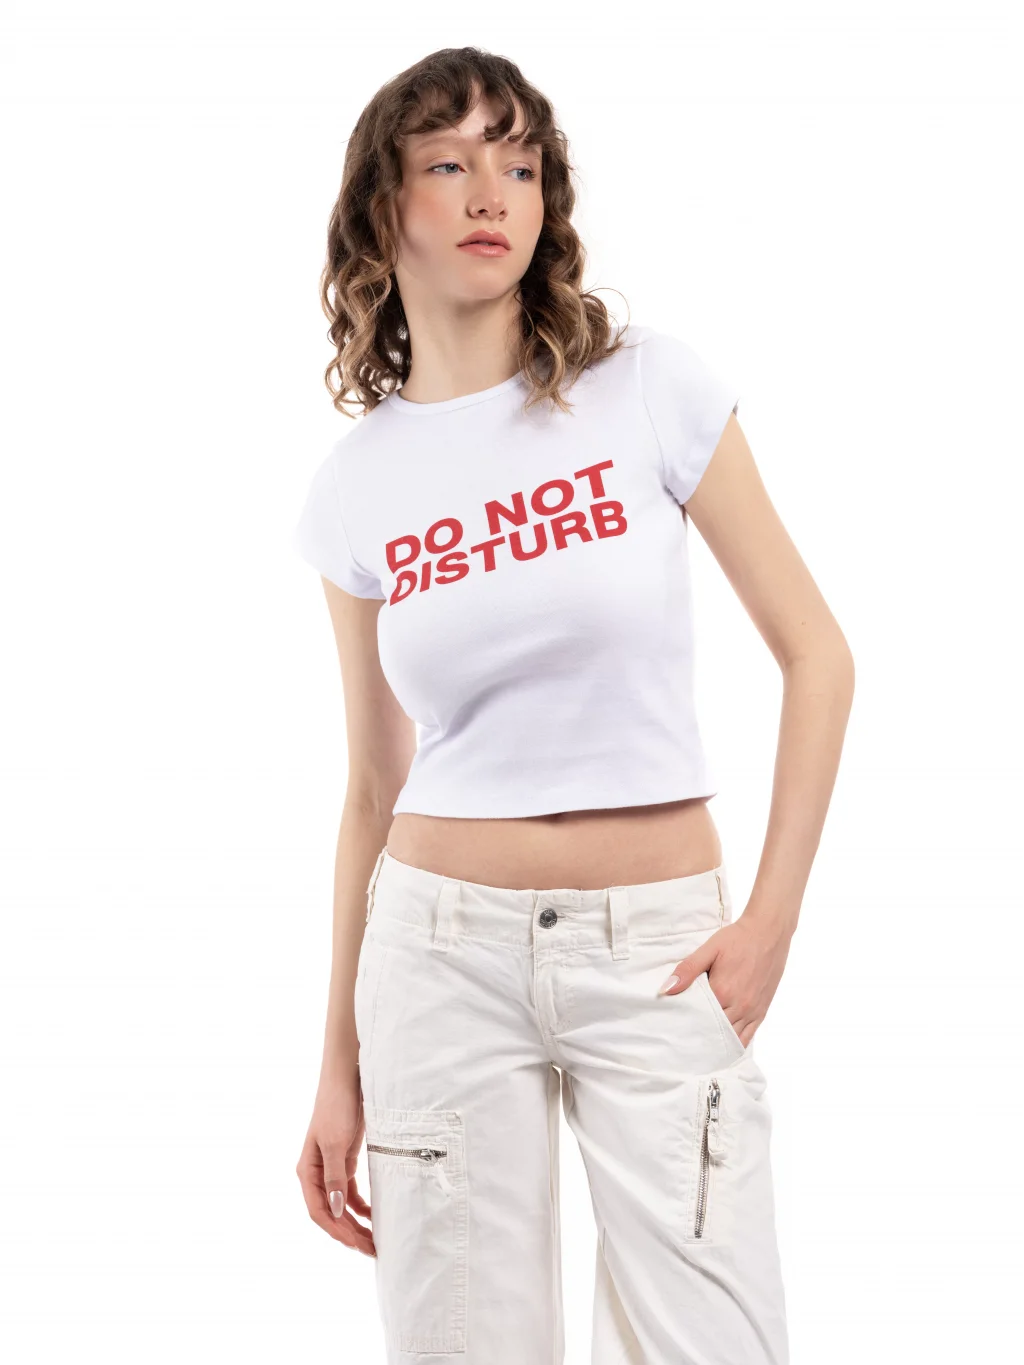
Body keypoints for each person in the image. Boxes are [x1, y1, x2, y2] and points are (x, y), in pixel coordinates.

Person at [291, 45, 854, 1365]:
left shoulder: (645, 385)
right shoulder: (355, 486)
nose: (494, 192)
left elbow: (818, 656)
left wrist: (771, 923)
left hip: (657, 947)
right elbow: (371, 787)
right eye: (450, 162)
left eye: (522, 162)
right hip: (436, 956)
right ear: (383, 206)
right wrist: (336, 1060)